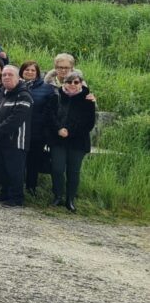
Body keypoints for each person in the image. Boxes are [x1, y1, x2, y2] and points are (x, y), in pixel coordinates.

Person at [45, 69, 96, 212]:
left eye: (76, 82)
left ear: (80, 83)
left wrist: (70, 132)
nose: (72, 84)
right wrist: (59, 129)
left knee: (74, 171)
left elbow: (89, 123)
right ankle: (57, 196)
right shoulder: (56, 96)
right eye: (69, 81)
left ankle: (70, 200)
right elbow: (49, 115)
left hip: (78, 141)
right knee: (57, 168)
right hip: (58, 139)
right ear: (63, 82)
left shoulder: (88, 99)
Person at [0, 65, 33, 206]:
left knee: (15, 171)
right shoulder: (0, 93)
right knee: (2, 169)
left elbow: (15, 120)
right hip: (0, 139)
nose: (6, 77)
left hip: (16, 140)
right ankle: (5, 193)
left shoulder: (24, 95)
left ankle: (16, 198)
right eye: (4, 75)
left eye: (10, 75)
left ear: (18, 77)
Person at [21, 60, 56, 195]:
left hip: (37, 131)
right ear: (21, 72)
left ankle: (31, 189)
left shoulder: (46, 88)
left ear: (37, 73)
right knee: (18, 161)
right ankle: (16, 187)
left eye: (32, 70)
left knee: (33, 162)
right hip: (18, 131)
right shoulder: (16, 85)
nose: (29, 72)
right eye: (26, 70)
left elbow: (50, 111)